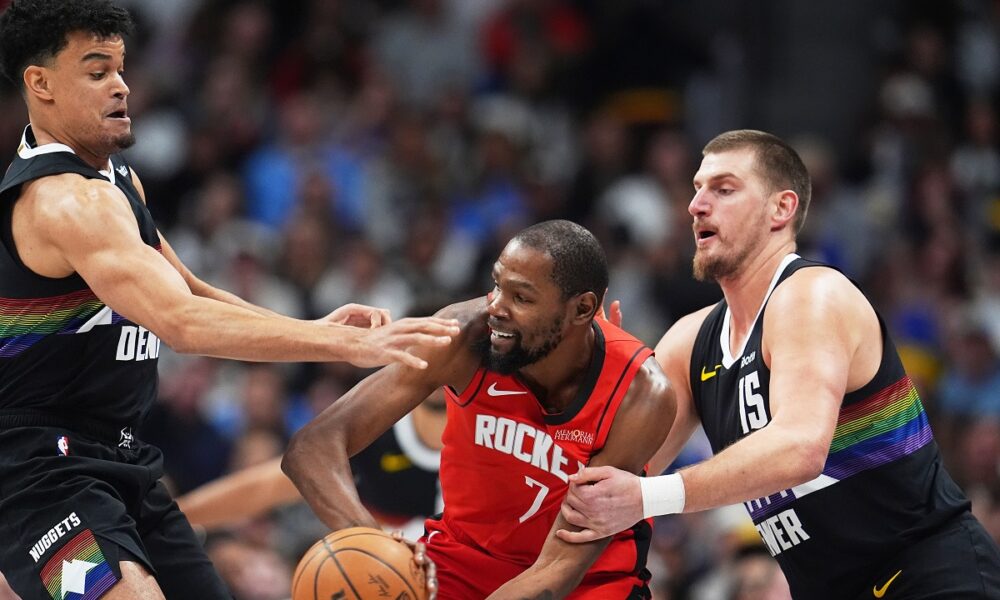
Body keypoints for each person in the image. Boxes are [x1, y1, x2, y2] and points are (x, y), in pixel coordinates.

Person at [0, 1, 460, 599]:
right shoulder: (65, 202)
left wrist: (312, 325)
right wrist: (343, 344)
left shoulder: (117, 182)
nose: (121, 86)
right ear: (41, 84)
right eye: (97, 72)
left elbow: (190, 289)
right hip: (37, 475)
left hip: (121, 459)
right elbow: (180, 322)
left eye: (120, 68)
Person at [557, 130, 1000, 598]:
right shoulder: (690, 341)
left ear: (781, 209)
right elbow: (615, 475)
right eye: (697, 189)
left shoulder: (813, 294)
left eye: (723, 189)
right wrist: (593, 389)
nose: (696, 205)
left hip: (928, 577)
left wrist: (648, 497)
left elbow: (800, 448)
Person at [282, 219, 677, 599]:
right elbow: (313, 447)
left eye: (521, 298)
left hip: (585, 583)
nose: (497, 308)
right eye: (497, 285)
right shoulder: (461, 336)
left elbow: (558, 567)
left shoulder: (640, 393)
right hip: (459, 566)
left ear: (582, 308)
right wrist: (375, 551)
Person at [177, 389, 448, 542]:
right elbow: (265, 487)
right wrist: (175, 516)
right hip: (388, 576)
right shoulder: (372, 433)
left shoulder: (477, 435)